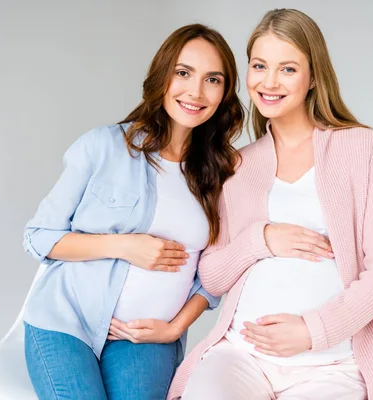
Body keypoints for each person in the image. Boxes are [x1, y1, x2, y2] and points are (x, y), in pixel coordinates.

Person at [168, 9, 373, 400]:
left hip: (331, 364)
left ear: (314, 77)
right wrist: (261, 239)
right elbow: (211, 276)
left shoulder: (360, 147)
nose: (269, 82)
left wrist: (314, 330)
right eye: (259, 66)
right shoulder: (238, 164)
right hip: (241, 355)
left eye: (288, 69)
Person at [22, 24, 244, 400]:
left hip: (148, 338)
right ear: (163, 77)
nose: (196, 91)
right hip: (66, 323)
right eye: (183, 73)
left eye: (213, 79)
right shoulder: (103, 146)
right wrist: (124, 246)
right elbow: (39, 237)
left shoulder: (222, 173)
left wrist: (174, 329)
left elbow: (215, 277)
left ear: (224, 93)